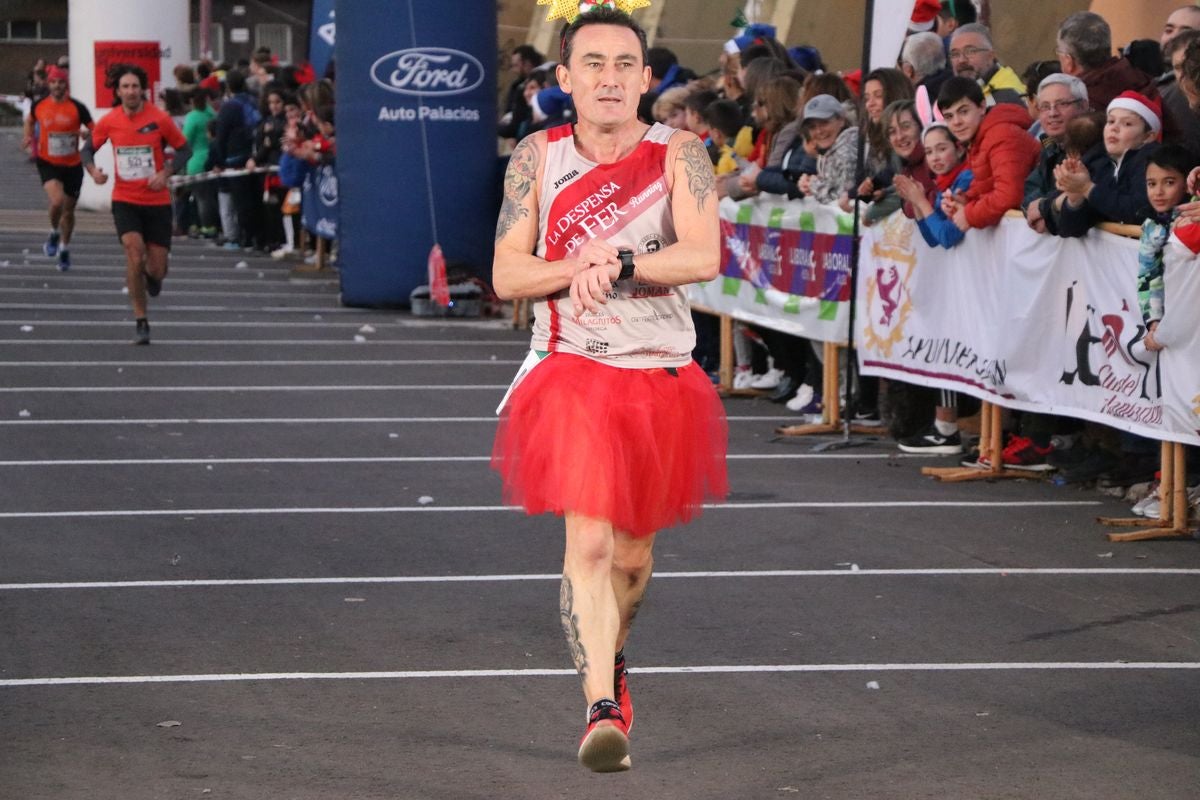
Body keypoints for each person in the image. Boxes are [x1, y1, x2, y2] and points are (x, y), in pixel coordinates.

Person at [490, 5, 727, 773]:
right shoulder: (537, 155)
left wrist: (619, 263)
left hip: (660, 371)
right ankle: (599, 706)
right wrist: (578, 267)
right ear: (564, 78)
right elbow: (506, 273)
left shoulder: (681, 152)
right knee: (587, 542)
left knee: (631, 559)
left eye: (624, 64)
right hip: (572, 367)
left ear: (647, 78)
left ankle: (612, 658)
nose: (609, 78)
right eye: (592, 63)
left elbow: (701, 256)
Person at [82, 63, 190, 345]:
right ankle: (141, 320)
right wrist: (93, 171)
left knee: (156, 268)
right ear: (117, 92)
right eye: (125, 87)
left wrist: (165, 173)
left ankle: (151, 277)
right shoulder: (110, 120)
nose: (131, 91)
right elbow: (87, 149)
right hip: (125, 199)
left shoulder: (159, 118)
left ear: (143, 89)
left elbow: (184, 150)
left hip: (156, 202)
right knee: (134, 251)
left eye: (135, 86)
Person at [936, 76, 1039, 232]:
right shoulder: (980, 138)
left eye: (963, 111)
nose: (956, 122)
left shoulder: (1001, 134)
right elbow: (989, 182)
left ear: (982, 106)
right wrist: (966, 199)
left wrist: (969, 215)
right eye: (949, 116)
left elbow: (1009, 195)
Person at [1055, 92, 1161, 237]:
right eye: (1110, 121)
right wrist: (1075, 198)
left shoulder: (1154, 160)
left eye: (1127, 123)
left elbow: (1139, 212)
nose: (1114, 128)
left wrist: (1088, 188)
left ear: (1149, 136)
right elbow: (1070, 231)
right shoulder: (1102, 165)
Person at [22, 65, 93, 271]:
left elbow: (94, 129)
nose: (57, 86)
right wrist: (28, 136)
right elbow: (29, 120)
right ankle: (54, 231)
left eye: (61, 82)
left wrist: (86, 134)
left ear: (66, 84)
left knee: (69, 212)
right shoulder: (40, 105)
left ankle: (63, 247)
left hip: (72, 164)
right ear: (48, 84)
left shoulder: (77, 108)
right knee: (57, 201)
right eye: (53, 82)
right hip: (48, 162)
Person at [1022, 73, 1090, 235]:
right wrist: (1042, 211)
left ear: (1083, 106)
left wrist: (1045, 210)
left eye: (1062, 104)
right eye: (1045, 106)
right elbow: (1028, 196)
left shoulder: (1097, 144)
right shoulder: (1050, 146)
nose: (1052, 113)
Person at [947, 23, 1025, 105]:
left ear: (990, 56)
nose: (961, 60)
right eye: (955, 54)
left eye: (970, 51)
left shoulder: (1005, 98)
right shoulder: (959, 91)